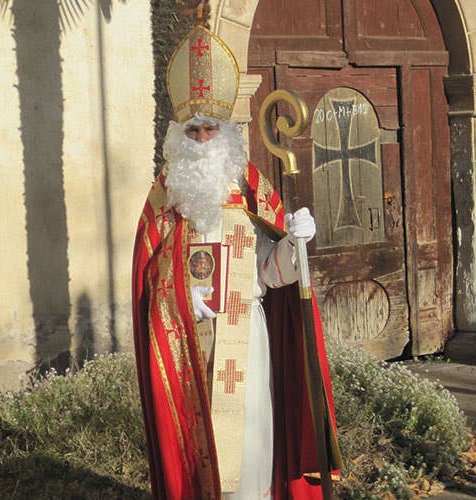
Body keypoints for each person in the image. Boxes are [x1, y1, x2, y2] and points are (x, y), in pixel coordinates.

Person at [132, 25, 342, 499]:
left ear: (227, 132)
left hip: (248, 337)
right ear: (179, 135)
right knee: (203, 461)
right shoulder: (165, 197)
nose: (203, 139)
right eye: (193, 130)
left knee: (252, 451)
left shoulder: (251, 187)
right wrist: (183, 300)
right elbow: (148, 275)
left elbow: (272, 272)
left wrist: (295, 243)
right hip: (189, 340)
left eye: (211, 128)